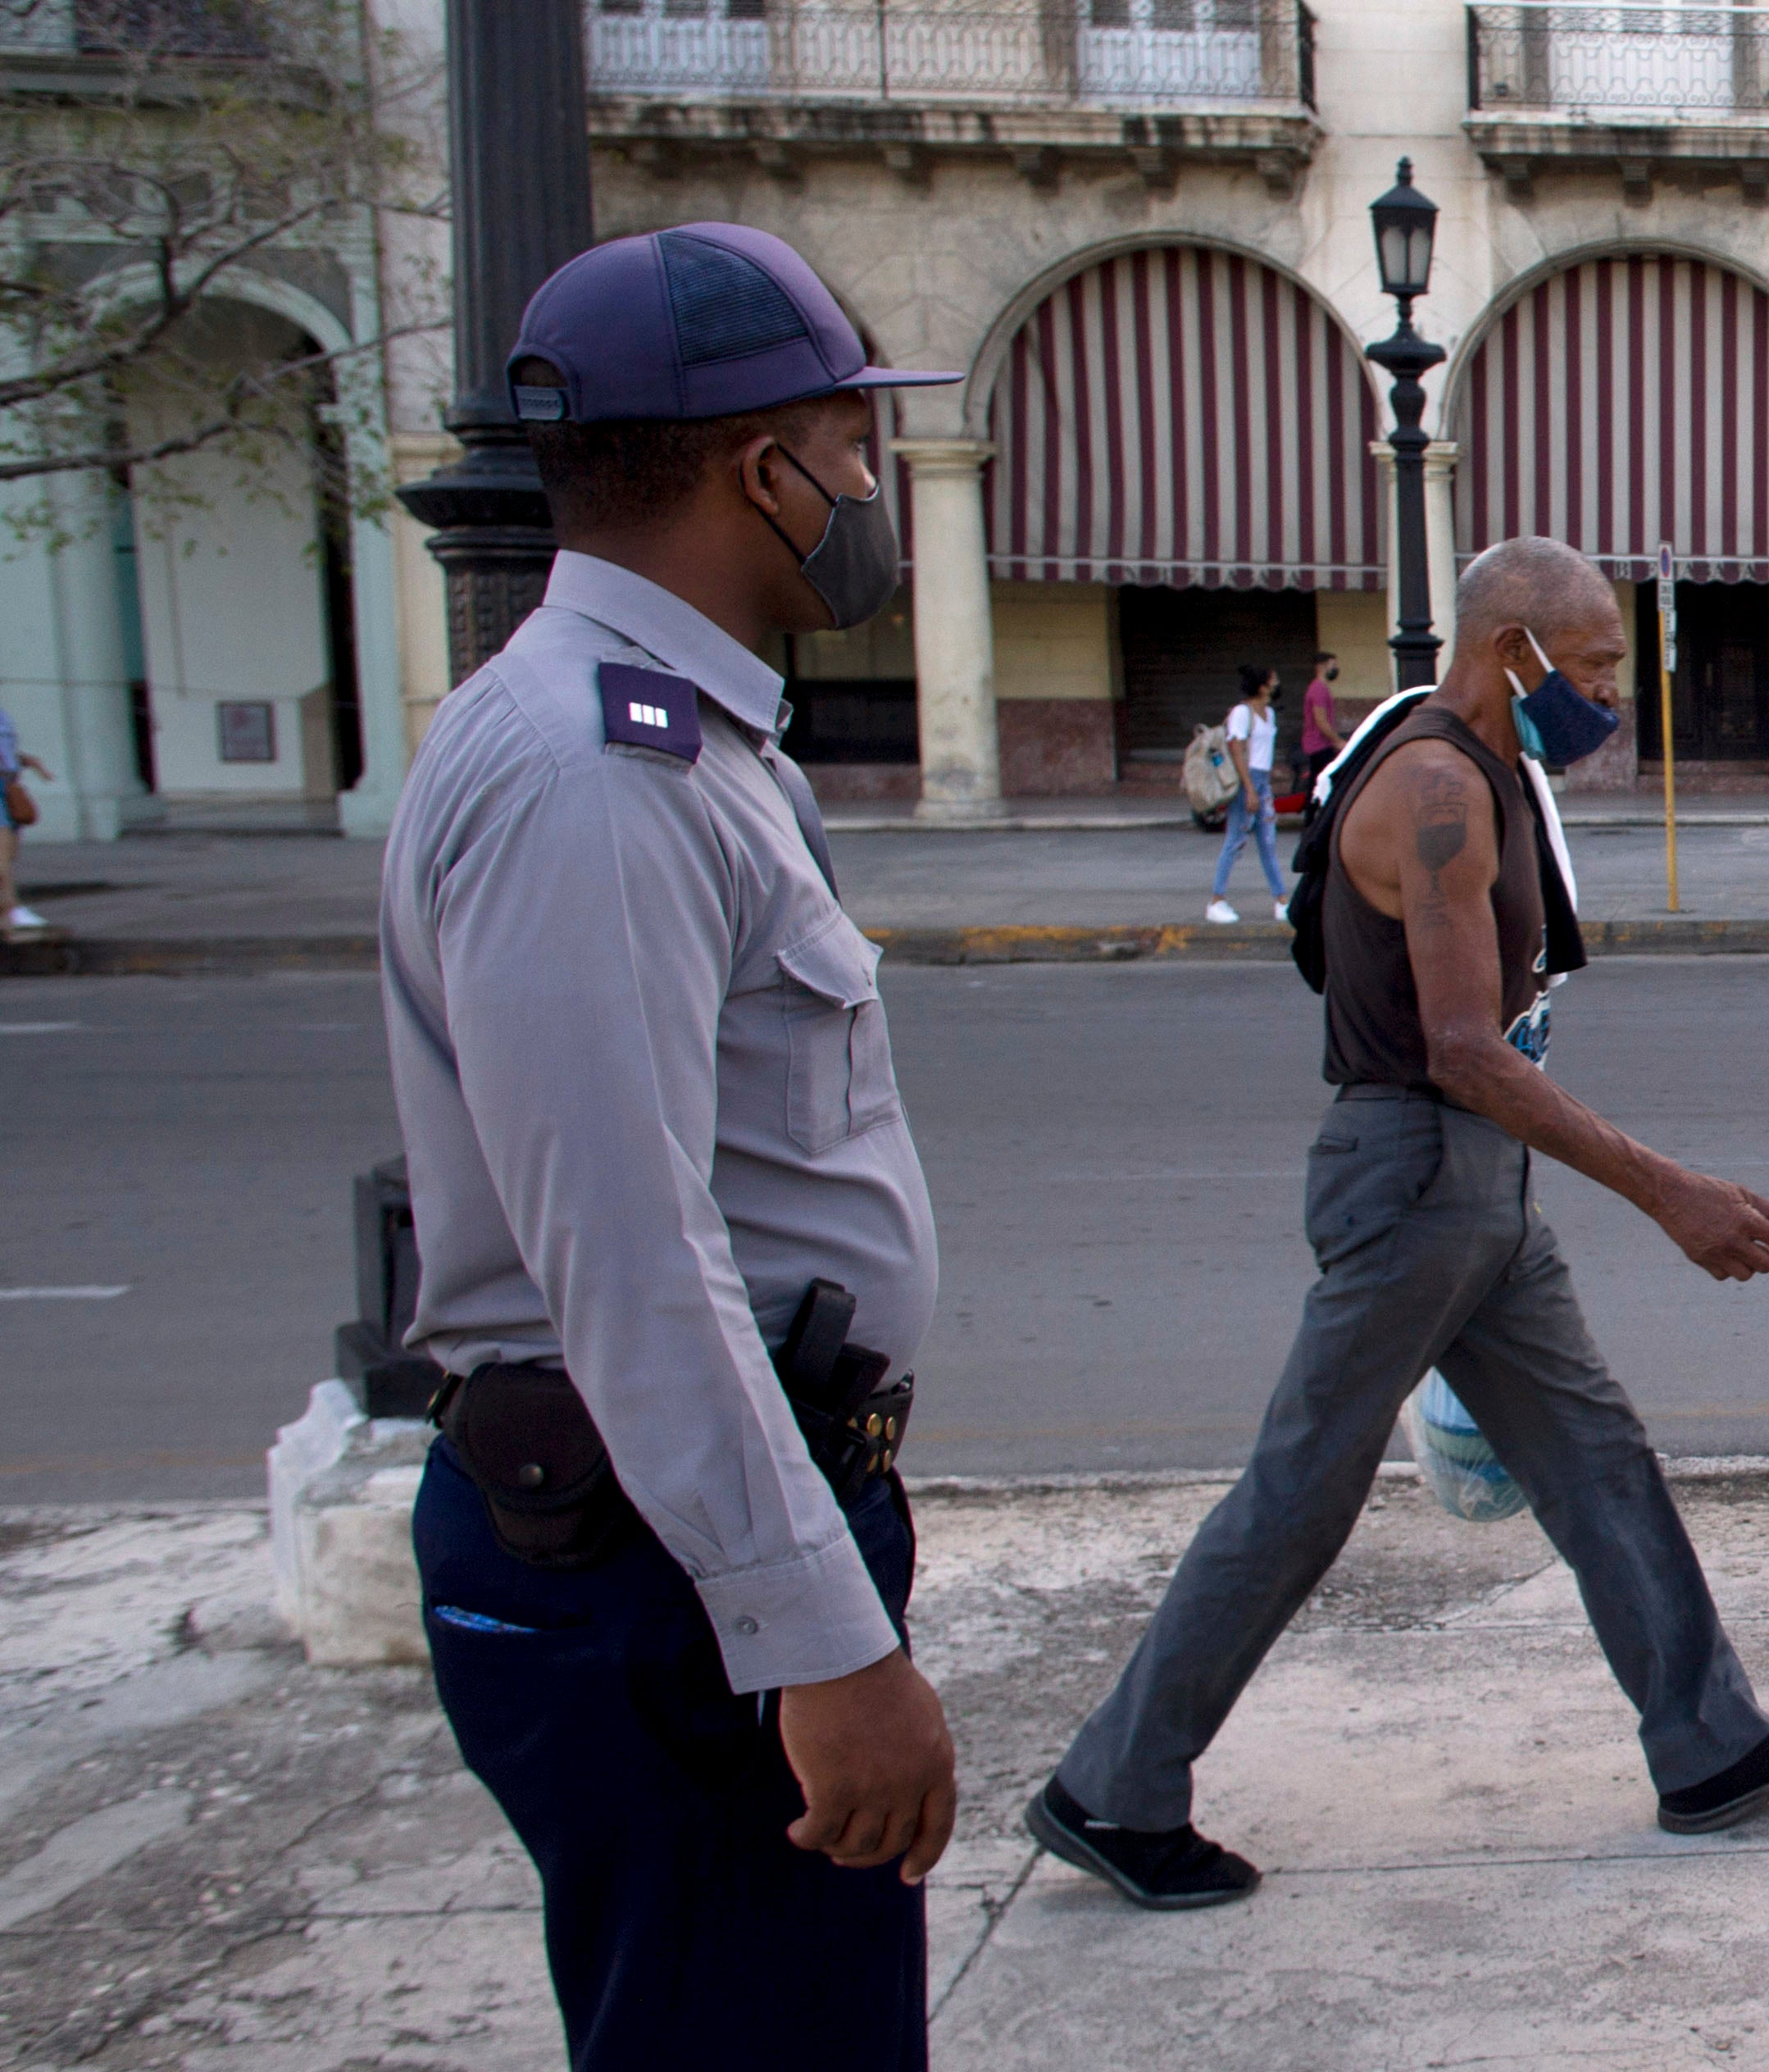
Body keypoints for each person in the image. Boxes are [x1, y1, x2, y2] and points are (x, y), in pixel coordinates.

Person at [1025, 536, 1769, 1910]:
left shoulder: (1478, 768)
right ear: (1510, 650)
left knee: (1593, 1455)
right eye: (1592, 662)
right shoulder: (1433, 785)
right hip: (1419, 1172)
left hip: (1468, 1182)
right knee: (1298, 1494)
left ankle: (1705, 1742)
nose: (1607, 690)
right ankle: (1110, 1791)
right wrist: (1670, 1190)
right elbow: (1465, 1049)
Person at [379, 224, 959, 2070]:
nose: (874, 488)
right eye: (851, 446)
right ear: (755, 467)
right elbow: (627, 1253)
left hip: (706, 1528)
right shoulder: (585, 774)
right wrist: (816, 1638)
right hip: (663, 1570)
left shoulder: (694, 746)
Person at [1208, 665, 1288, 925]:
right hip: (1248, 782)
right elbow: (1237, 751)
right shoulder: (1242, 713)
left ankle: (1281, 900)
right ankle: (1216, 900)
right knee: (1235, 841)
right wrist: (1250, 789)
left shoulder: (1269, 714)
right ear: (1262, 686)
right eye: (1272, 680)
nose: (1277, 684)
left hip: (1261, 780)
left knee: (1268, 843)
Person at [0, 701, 49, 931]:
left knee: (10, 852)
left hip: (8, 788)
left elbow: (7, 752)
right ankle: (12, 909)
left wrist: (27, 761)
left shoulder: (3, 716)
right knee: (1, 853)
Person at [1297, 650, 1344, 797]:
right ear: (1321, 667)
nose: (1335, 669)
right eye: (1332, 665)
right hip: (1320, 745)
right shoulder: (1318, 689)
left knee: (1317, 785)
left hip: (1319, 745)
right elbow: (1321, 721)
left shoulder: (1320, 688)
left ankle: (1311, 816)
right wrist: (1338, 741)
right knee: (1324, 785)